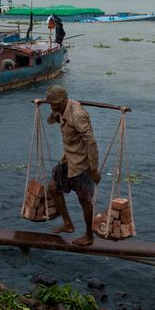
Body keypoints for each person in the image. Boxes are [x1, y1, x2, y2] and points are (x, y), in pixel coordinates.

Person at [44, 85, 100, 247]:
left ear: (63, 101)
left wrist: (94, 170)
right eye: (50, 104)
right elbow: (52, 118)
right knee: (53, 188)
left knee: (84, 200)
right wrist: (44, 104)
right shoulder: (60, 109)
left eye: (53, 104)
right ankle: (68, 224)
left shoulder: (77, 115)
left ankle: (89, 235)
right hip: (68, 158)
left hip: (82, 164)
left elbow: (91, 142)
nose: (51, 107)